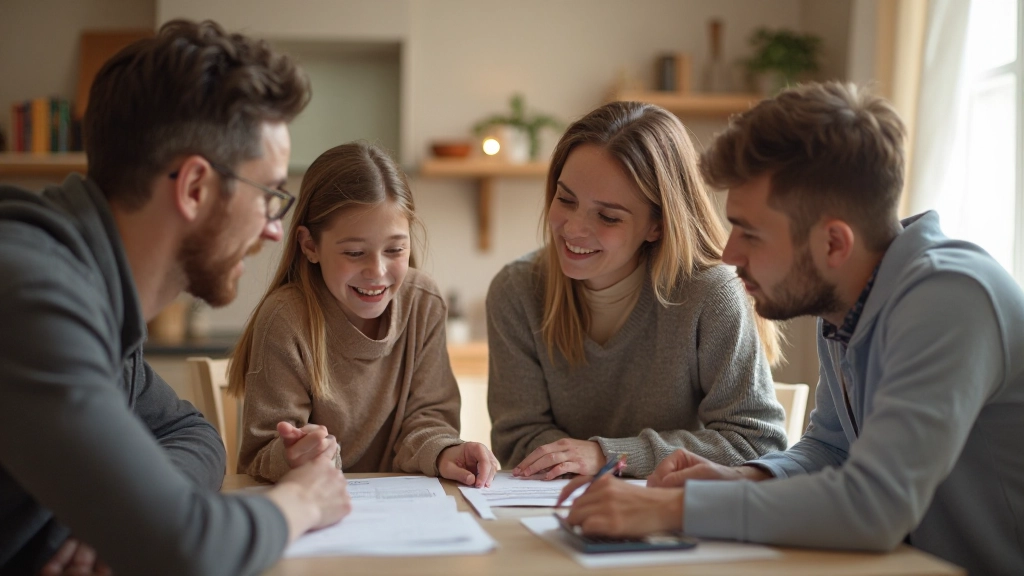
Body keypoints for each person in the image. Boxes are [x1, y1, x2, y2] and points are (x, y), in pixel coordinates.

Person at [557, 82, 1024, 576]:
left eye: (750, 234)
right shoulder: (849, 301)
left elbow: (875, 507)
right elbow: (830, 449)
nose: (729, 254)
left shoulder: (949, 299)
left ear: (833, 243)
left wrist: (670, 509)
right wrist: (742, 479)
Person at [0, 20, 353, 576]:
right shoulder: (34, 295)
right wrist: (302, 500)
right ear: (194, 188)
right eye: (270, 196)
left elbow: (192, 434)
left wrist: (127, 514)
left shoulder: (93, 287)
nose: (274, 232)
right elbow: (187, 548)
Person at [486, 101, 788, 480]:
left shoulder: (711, 293)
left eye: (608, 216)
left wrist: (607, 455)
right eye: (566, 199)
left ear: (657, 226)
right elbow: (518, 439)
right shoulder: (516, 292)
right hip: (554, 511)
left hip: (673, 515)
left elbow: (757, 444)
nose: (573, 229)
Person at [230, 142, 499, 487]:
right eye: (355, 253)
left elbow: (428, 420)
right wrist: (297, 454)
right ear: (310, 245)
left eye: (395, 249)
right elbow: (262, 453)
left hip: (402, 512)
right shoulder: (285, 319)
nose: (377, 271)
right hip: (313, 509)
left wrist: (446, 452)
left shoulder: (423, 302)